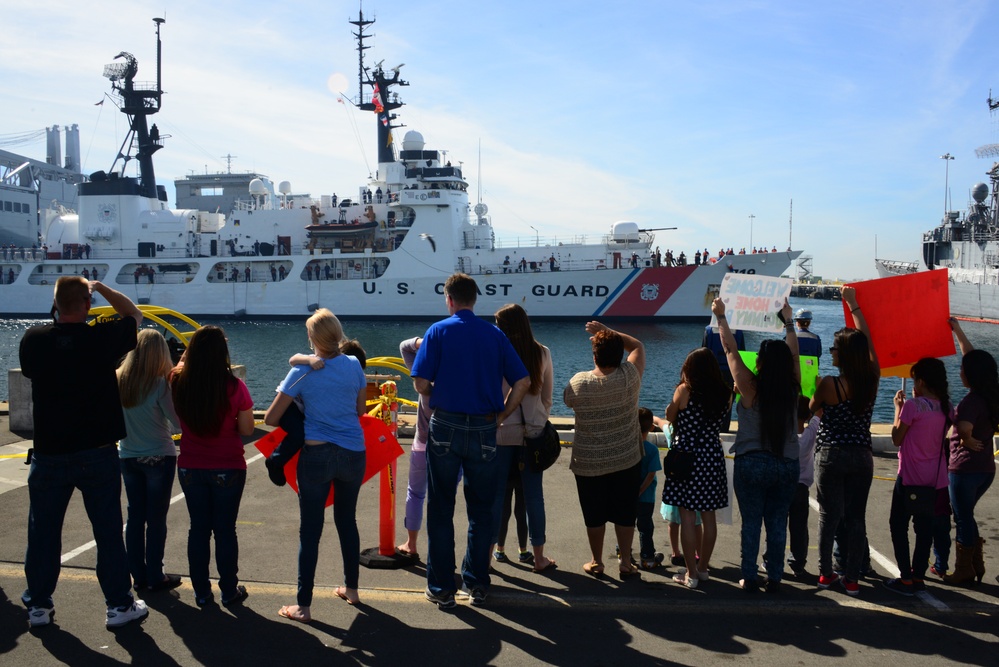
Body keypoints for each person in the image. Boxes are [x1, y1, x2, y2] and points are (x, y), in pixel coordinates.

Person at [19, 277, 148, 627]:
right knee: (107, 532)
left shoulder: (34, 340)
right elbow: (133, 314)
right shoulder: (101, 339)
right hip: (97, 451)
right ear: (88, 304)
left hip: (49, 453)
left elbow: (34, 366)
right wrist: (102, 287)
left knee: (43, 533)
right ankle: (119, 605)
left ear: (56, 304)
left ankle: (39, 606)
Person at [411, 273, 531, 609]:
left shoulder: (438, 331)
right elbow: (522, 381)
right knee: (481, 509)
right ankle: (476, 583)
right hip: (484, 427)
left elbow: (420, 382)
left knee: (441, 507)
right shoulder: (494, 334)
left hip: (446, 424)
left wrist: (438, 392)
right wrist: (502, 415)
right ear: (474, 300)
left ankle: (441, 587)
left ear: (449, 299)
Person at [265, 309, 368, 622]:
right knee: (346, 521)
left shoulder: (301, 373)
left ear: (312, 339)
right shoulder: (353, 365)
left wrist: (305, 412)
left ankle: (303, 606)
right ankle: (351, 589)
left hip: (317, 454)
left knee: (310, 532)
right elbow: (360, 409)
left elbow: (270, 418)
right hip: (353, 452)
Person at [716, 297, 801, 593]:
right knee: (778, 523)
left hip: (752, 462)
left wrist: (721, 317)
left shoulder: (750, 388)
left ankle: (749, 576)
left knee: (751, 522)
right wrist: (788, 320)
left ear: (762, 363)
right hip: (787, 464)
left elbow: (730, 350)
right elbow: (793, 355)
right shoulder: (793, 388)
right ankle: (775, 577)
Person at [171, 325, 255, 608]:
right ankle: (229, 590)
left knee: (198, 529)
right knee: (225, 530)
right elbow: (246, 428)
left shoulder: (177, 381)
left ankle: (201, 592)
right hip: (227, 465)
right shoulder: (234, 387)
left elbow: (179, 368)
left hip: (190, 466)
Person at [809, 286, 879, 596]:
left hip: (832, 454)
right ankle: (852, 578)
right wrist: (855, 307)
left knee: (829, 515)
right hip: (862, 456)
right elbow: (869, 346)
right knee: (856, 517)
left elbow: (811, 409)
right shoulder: (871, 379)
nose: (831, 353)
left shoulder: (828, 384)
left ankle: (826, 573)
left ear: (844, 354)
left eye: (835, 349)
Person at [563, 322, 645, 580]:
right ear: (619, 355)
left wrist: (603, 338)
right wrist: (608, 331)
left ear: (594, 355)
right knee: (625, 511)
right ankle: (625, 562)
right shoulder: (630, 376)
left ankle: (597, 562)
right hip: (626, 458)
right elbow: (638, 346)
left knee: (594, 513)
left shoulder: (579, 382)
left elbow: (567, 400)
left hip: (589, 462)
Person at [490, 303, 556, 574]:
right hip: (533, 436)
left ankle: (490, 553)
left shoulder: (495, 352)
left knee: (495, 498)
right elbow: (548, 396)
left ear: (503, 326)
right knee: (534, 498)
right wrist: (537, 419)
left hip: (501, 432)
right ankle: (538, 557)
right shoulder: (542, 353)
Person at [117, 329, 183, 594]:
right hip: (158, 454)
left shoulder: (118, 379)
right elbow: (177, 422)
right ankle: (156, 575)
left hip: (128, 454)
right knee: (156, 519)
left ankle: (138, 574)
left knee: (135, 517)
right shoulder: (159, 384)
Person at [883, 357, 951, 596]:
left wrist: (898, 409)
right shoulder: (946, 406)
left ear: (920, 381)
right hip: (935, 479)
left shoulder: (913, 405)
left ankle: (905, 577)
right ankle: (919, 575)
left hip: (910, 476)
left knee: (898, 525)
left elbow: (896, 439)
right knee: (924, 529)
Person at [264, 339, 367, 486]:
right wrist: (309, 360)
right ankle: (275, 460)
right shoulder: (317, 362)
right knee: (300, 433)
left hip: (302, 407)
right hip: (290, 404)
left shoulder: (337, 371)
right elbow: (293, 359)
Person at [943, 319, 998, 586]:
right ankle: (976, 564)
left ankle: (965, 569)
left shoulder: (970, 401)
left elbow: (964, 428)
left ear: (971, 375)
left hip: (965, 468)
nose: (960, 370)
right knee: (967, 514)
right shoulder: (989, 393)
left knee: (962, 517)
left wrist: (965, 439)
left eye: (963, 369)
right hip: (986, 468)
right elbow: (973, 356)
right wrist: (957, 331)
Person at [395, 336, 432, 560]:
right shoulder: (456, 379)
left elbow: (404, 347)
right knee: (443, 499)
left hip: (421, 444)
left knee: (415, 493)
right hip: (449, 446)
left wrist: (423, 342)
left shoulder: (424, 380)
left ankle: (411, 543)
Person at [787, 396, 821, 577]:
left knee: (776, 523)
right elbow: (819, 413)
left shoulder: (786, 436)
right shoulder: (810, 434)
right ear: (807, 416)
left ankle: (770, 559)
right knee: (799, 527)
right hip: (801, 488)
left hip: (784, 484)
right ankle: (798, 562)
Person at [636, 407, 664, 570]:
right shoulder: (652, 450)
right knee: (645, 527)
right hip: (646, 497)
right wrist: (640, 490)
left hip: (627, 495)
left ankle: (623, 554)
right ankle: (647, 557)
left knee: (625, 524)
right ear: (651, 428)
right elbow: (651, 474)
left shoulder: (628, 446)